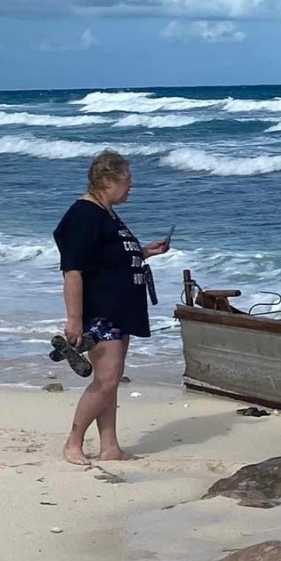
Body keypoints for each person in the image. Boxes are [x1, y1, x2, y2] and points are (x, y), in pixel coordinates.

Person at [52, 150, 171, 465]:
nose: (131, 185)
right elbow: (73, 270)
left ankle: (109, 447)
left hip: (121, 308)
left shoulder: (107, 214)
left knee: (112, 378)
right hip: (100, 310)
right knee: (105, 379)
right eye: (127, 179)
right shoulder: (84, 215)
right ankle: (73, 443)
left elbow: (108, 260)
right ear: (106, 180)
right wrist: (75, 320)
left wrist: (144, 252)